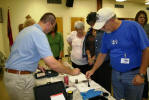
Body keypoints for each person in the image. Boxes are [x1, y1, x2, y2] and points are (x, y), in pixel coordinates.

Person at [4, 12, 80, 100]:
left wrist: (36, 65)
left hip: (14, 75)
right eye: (52, 27)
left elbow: (22, 53)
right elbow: (52, 64)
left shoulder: (26, 30)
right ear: (49, 23)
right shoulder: (39, 34)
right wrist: (72, 72)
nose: (52, 30)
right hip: (20, 78)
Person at [86, 7, 149, 100]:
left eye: (103, 26)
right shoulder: (107, 33)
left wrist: (142, 74)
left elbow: (146, 50)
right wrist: (93, 70)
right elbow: (102, 54)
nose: (102, 29)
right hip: (115, 74)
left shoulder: (133, 26)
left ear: (111, 20)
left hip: (133, 74)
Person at [82, 12, 111, 92]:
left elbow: (104, 51)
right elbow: (88, 46)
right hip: (95, 63)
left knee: (104, 87)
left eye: (93, 24)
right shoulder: (90, 32)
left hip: (105, 64)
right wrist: (90, 58)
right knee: (96, 84)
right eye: (90, 25)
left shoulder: (106, 32)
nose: (92, 26)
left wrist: (94, 57)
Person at [135, 10, 149, 100]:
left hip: (146, 57)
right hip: (136, 57)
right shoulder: (134, 28)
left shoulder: (148, 29)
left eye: (144, 17)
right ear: (137, 18)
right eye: (140, 17)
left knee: (144, 77)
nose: (142, 19)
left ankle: (144, 97)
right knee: (135, 77)